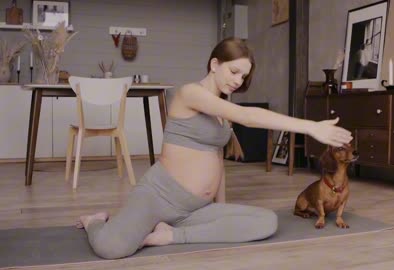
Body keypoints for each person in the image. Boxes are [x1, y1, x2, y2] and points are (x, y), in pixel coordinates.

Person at [77, 37, 353, 259]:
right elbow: (247, 116)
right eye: (234, 71)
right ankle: (94, 220)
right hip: (158, 196)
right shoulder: (190, 93)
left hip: (196, 209)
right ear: (214, 64)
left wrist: (221, 209)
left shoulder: (221, 111)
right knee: (111, 248)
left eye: (243, 77)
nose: (238, 81)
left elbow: (216, 159)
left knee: (267, 222)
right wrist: (311, 127)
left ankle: (170, 235)